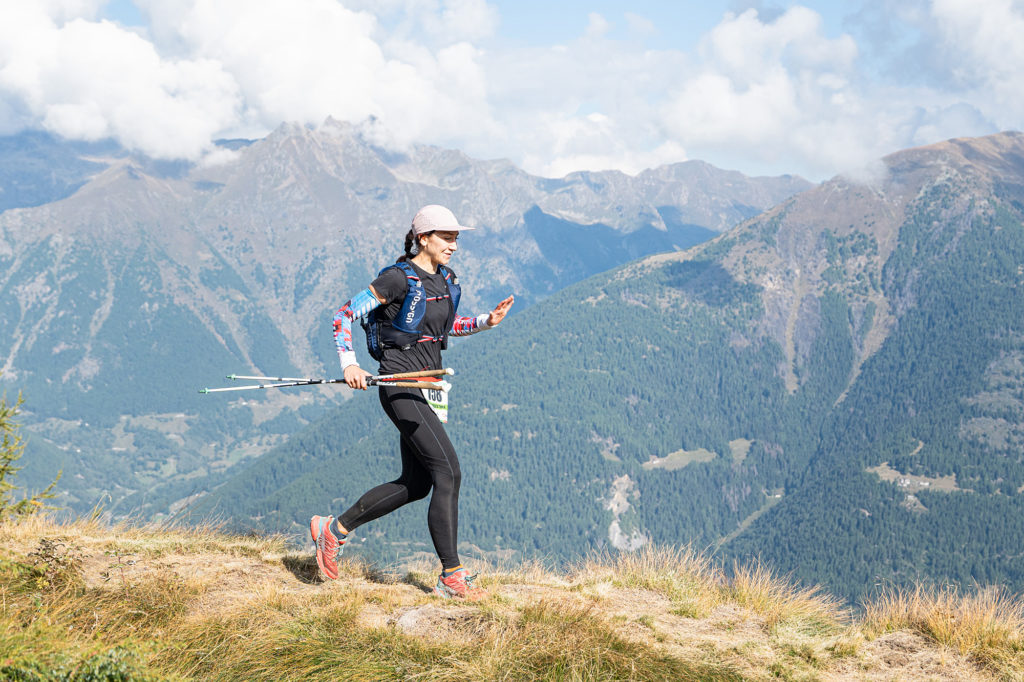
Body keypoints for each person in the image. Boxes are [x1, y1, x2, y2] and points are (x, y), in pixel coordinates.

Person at [310, 204, 514, 598]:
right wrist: (350, 364)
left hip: (431, 387)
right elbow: (343, 315)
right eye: (447, 237)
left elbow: (443, 327)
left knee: (418, 483)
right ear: (423, 238)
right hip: (400, 386)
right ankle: (450, 575)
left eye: (456, 237)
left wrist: (486, 321)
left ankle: (332, 530)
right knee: (449, 472)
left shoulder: (446, 280)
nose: (454, 245)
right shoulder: (396, 279)